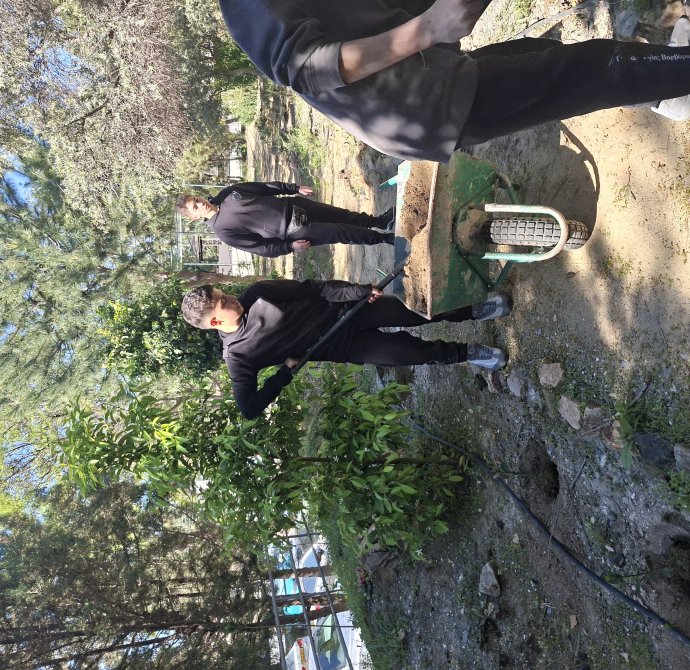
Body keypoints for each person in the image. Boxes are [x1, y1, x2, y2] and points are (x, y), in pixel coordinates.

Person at [218, 0, 690, 162]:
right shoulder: (245, 7)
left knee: (542, 57)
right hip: (419, 107)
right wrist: (427, 28)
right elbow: (305, 68)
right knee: (597, 69)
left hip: (428, 72)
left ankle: (668, 91)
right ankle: (672, 79)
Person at [180, 278, 510, 418]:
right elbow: (249, 408)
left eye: (224, 294)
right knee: (412, 354)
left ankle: (475, 310)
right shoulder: (237, 356)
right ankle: (471, 354)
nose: (232, 298)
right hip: (344, 345)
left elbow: (314, 289)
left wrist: (356, 292)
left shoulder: (257, 293)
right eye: (224, 302)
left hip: (351, 311)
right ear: (215, 322)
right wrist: (283, 375)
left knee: (419, 311)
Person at [176, 181, 394, 258]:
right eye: (195, 207)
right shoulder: (223, 232)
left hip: (296, 206)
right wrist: (290, 247)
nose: (200, 204)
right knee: (341, 232)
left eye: (197, 200)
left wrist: (293, 188)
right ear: (194, 218)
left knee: (342, 215)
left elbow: (263, 187)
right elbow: (261, 248)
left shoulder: (228, 193)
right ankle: (385, 239)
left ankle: (380, 222)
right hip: (294, 231)